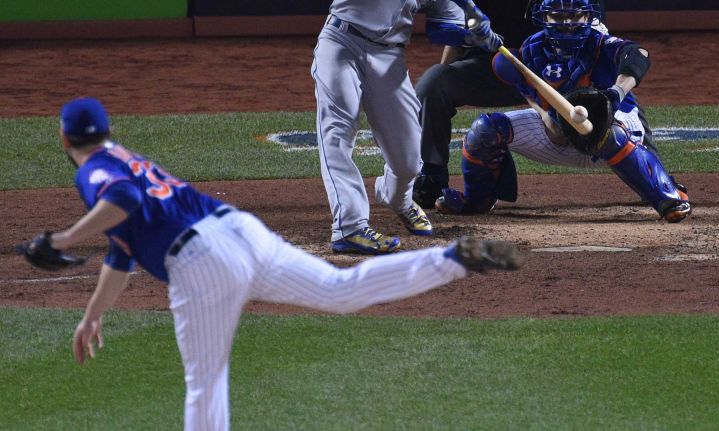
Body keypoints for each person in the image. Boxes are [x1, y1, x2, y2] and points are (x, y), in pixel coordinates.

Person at [16, 98, 525, 431]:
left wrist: (58, 238)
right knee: (340, 289)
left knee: (206, 385)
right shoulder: (124, 154)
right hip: (241, 232)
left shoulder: (98, 170)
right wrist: (93, 313)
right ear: (107, 129)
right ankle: (453, 260)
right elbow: (121, 248)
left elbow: (121, 199)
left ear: (65, 140)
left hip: (201, 263)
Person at [434, 0, 691, 223]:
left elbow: (639, 54)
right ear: (543, 17)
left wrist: (616, 93)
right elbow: (539, 106)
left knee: (608, 133)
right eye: (557, 16)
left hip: (617, 129)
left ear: (588, 17)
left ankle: (668, 197)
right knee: (485, 130)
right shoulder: (530, 52)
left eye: (574, 15)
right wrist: (546, 117)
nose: (566, 23)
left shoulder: (600, 43)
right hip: (559, 135)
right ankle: (477, 200)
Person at [312, 0, 505, 254]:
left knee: (410, 162)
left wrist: (474, 35)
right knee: (338, 131)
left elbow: (442, 29)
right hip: (342, 43)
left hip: (390, 57)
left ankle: (398, 198)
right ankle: (349, 226)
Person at [412, 0, 607, 209]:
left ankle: (641, 159)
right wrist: (439, 88)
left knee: (608, 103)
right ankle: (432, 175)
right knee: (433, 84)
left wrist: (547, 109)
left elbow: (595, 40)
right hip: (494, 69)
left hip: (557, 71)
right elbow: (460, 36)